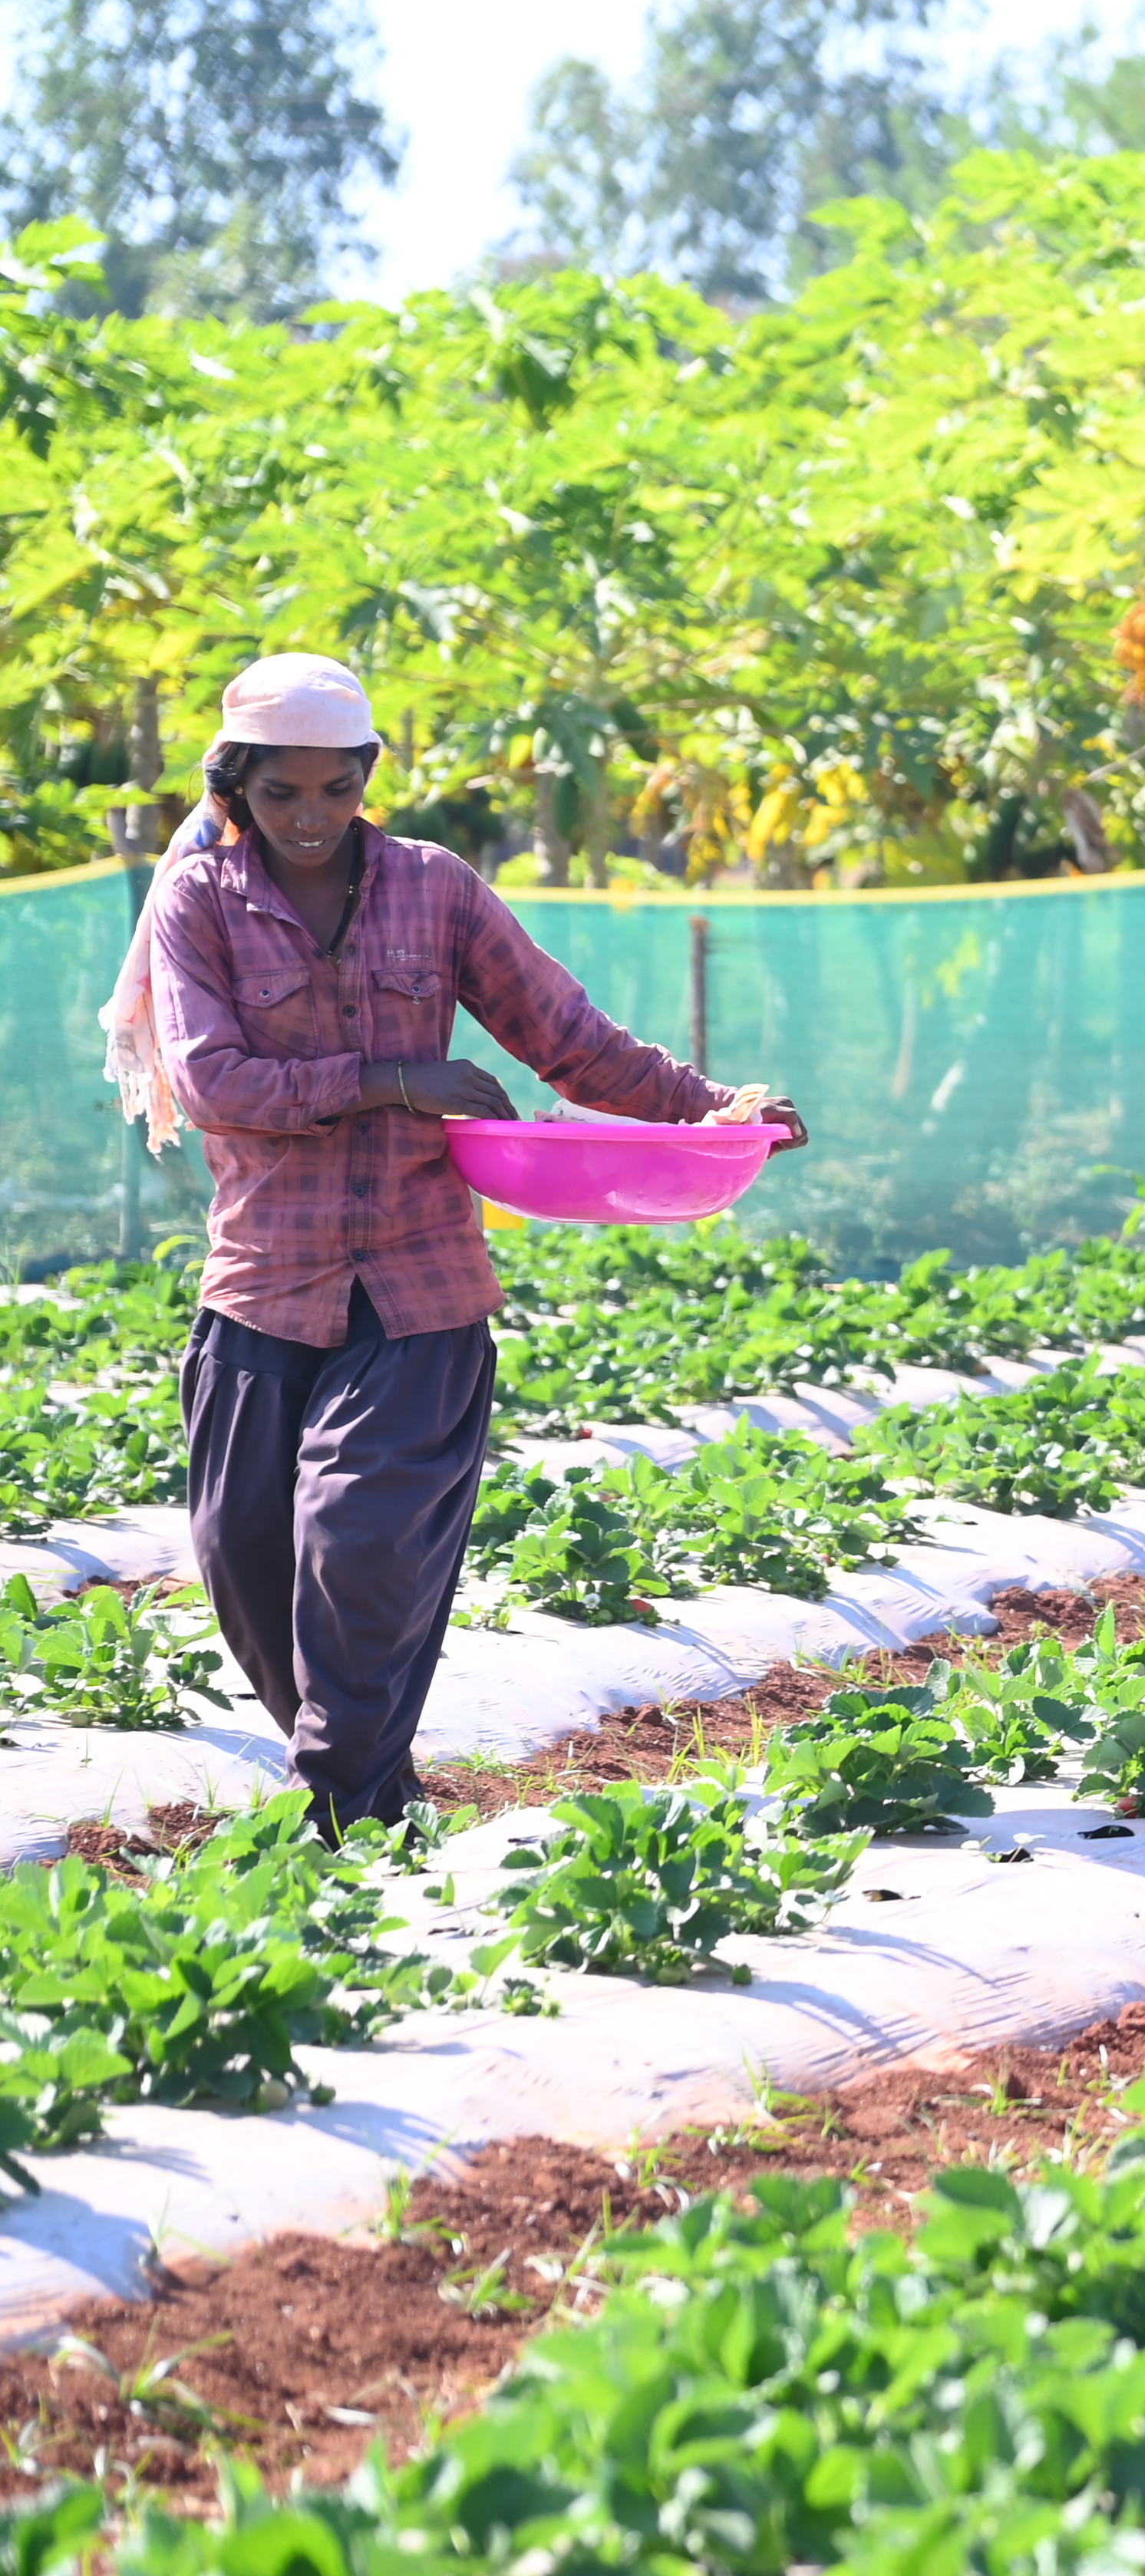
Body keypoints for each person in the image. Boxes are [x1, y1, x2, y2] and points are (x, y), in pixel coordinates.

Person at [101, 653, 802, 1834]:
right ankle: (373, 1788)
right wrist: (390, 1080)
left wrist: (710, 1108)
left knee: (359, 1541)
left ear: (370, 775)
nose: (312, 818)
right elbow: (215, 1083)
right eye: (284, 795)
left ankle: (333, 1803)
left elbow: (564, 1035)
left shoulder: (436, 889)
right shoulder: (198, 900)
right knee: (243, 1559)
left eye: (336, 789)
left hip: (420, 1290)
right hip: (264, 1282)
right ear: (239, 787)